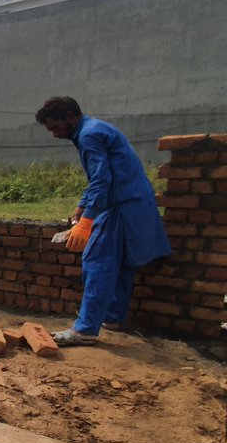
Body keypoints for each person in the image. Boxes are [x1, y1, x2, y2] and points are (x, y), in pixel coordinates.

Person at [35, 96, 171, 346]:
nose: (54, 135)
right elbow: (99, 178)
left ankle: (85, 329)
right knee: (121, 265)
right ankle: (112, 317)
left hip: (120, 206)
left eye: (55, 127)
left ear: (70, 116)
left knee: (96, 263)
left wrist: (86, 222)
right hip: (135, 203)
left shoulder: (88, 135)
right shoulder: (94, 129)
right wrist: (82, 204)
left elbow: (102, 180)